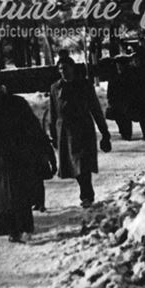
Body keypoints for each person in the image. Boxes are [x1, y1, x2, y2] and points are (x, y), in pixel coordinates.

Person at [0, 69, 56, 243]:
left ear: (1, 88)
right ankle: (13, 230)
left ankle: (25, 228)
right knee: (3, 199)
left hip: (20, 158)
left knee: (21, 196)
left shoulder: (17, 104)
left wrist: (46, 151)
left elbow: (34, 128)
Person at [49, 56, 111, 208]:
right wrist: (53, 134)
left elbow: (95, 109)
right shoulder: (55, 88)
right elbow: (53, 112)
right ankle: (86, 192)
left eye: (66, 68)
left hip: (83, 128)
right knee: (73, 165)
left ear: (72, 68)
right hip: (64, 131)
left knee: (83, 163)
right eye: (61, 69)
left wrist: (105, 132)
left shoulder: (84, 85)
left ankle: (87, 195)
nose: (64, 71)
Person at [105, 57, 134, 141]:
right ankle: (122, 130)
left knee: (126, 117)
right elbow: (110, 89)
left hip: (125, 100)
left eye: (120, 65)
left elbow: (131, 88)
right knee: (118, 117)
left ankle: (127, 133)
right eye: (118, 65)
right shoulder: (113, 76)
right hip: (116, 100)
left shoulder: (128, 76)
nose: (119, 67)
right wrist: (110, 99)